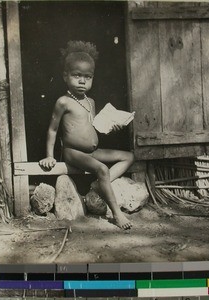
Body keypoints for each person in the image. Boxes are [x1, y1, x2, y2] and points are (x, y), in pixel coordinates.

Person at [39, 41, 134, 230]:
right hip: (73, 152)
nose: (82, 81)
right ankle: (117, 213)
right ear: (65, 76)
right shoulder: (63, 102)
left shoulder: (91, 101)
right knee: (102, 170)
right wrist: (49, 155)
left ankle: (99, 185)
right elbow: (52, 129)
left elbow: (92, 126)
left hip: (93, 151)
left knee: (129, 156)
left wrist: (112, 125)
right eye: (77, 75)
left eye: (88, 77)